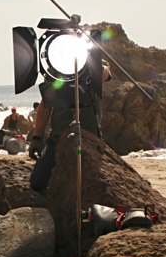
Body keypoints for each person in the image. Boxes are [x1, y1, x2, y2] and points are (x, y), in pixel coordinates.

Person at [28, 61, 111, 192]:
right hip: (58, 137)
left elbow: (105, 73)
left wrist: (92, 65)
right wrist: (36, 137)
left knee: (93, 183)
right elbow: (45, 104)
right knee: (38, 182)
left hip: (90, 137)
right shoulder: (55, 68)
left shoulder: (93, 61)